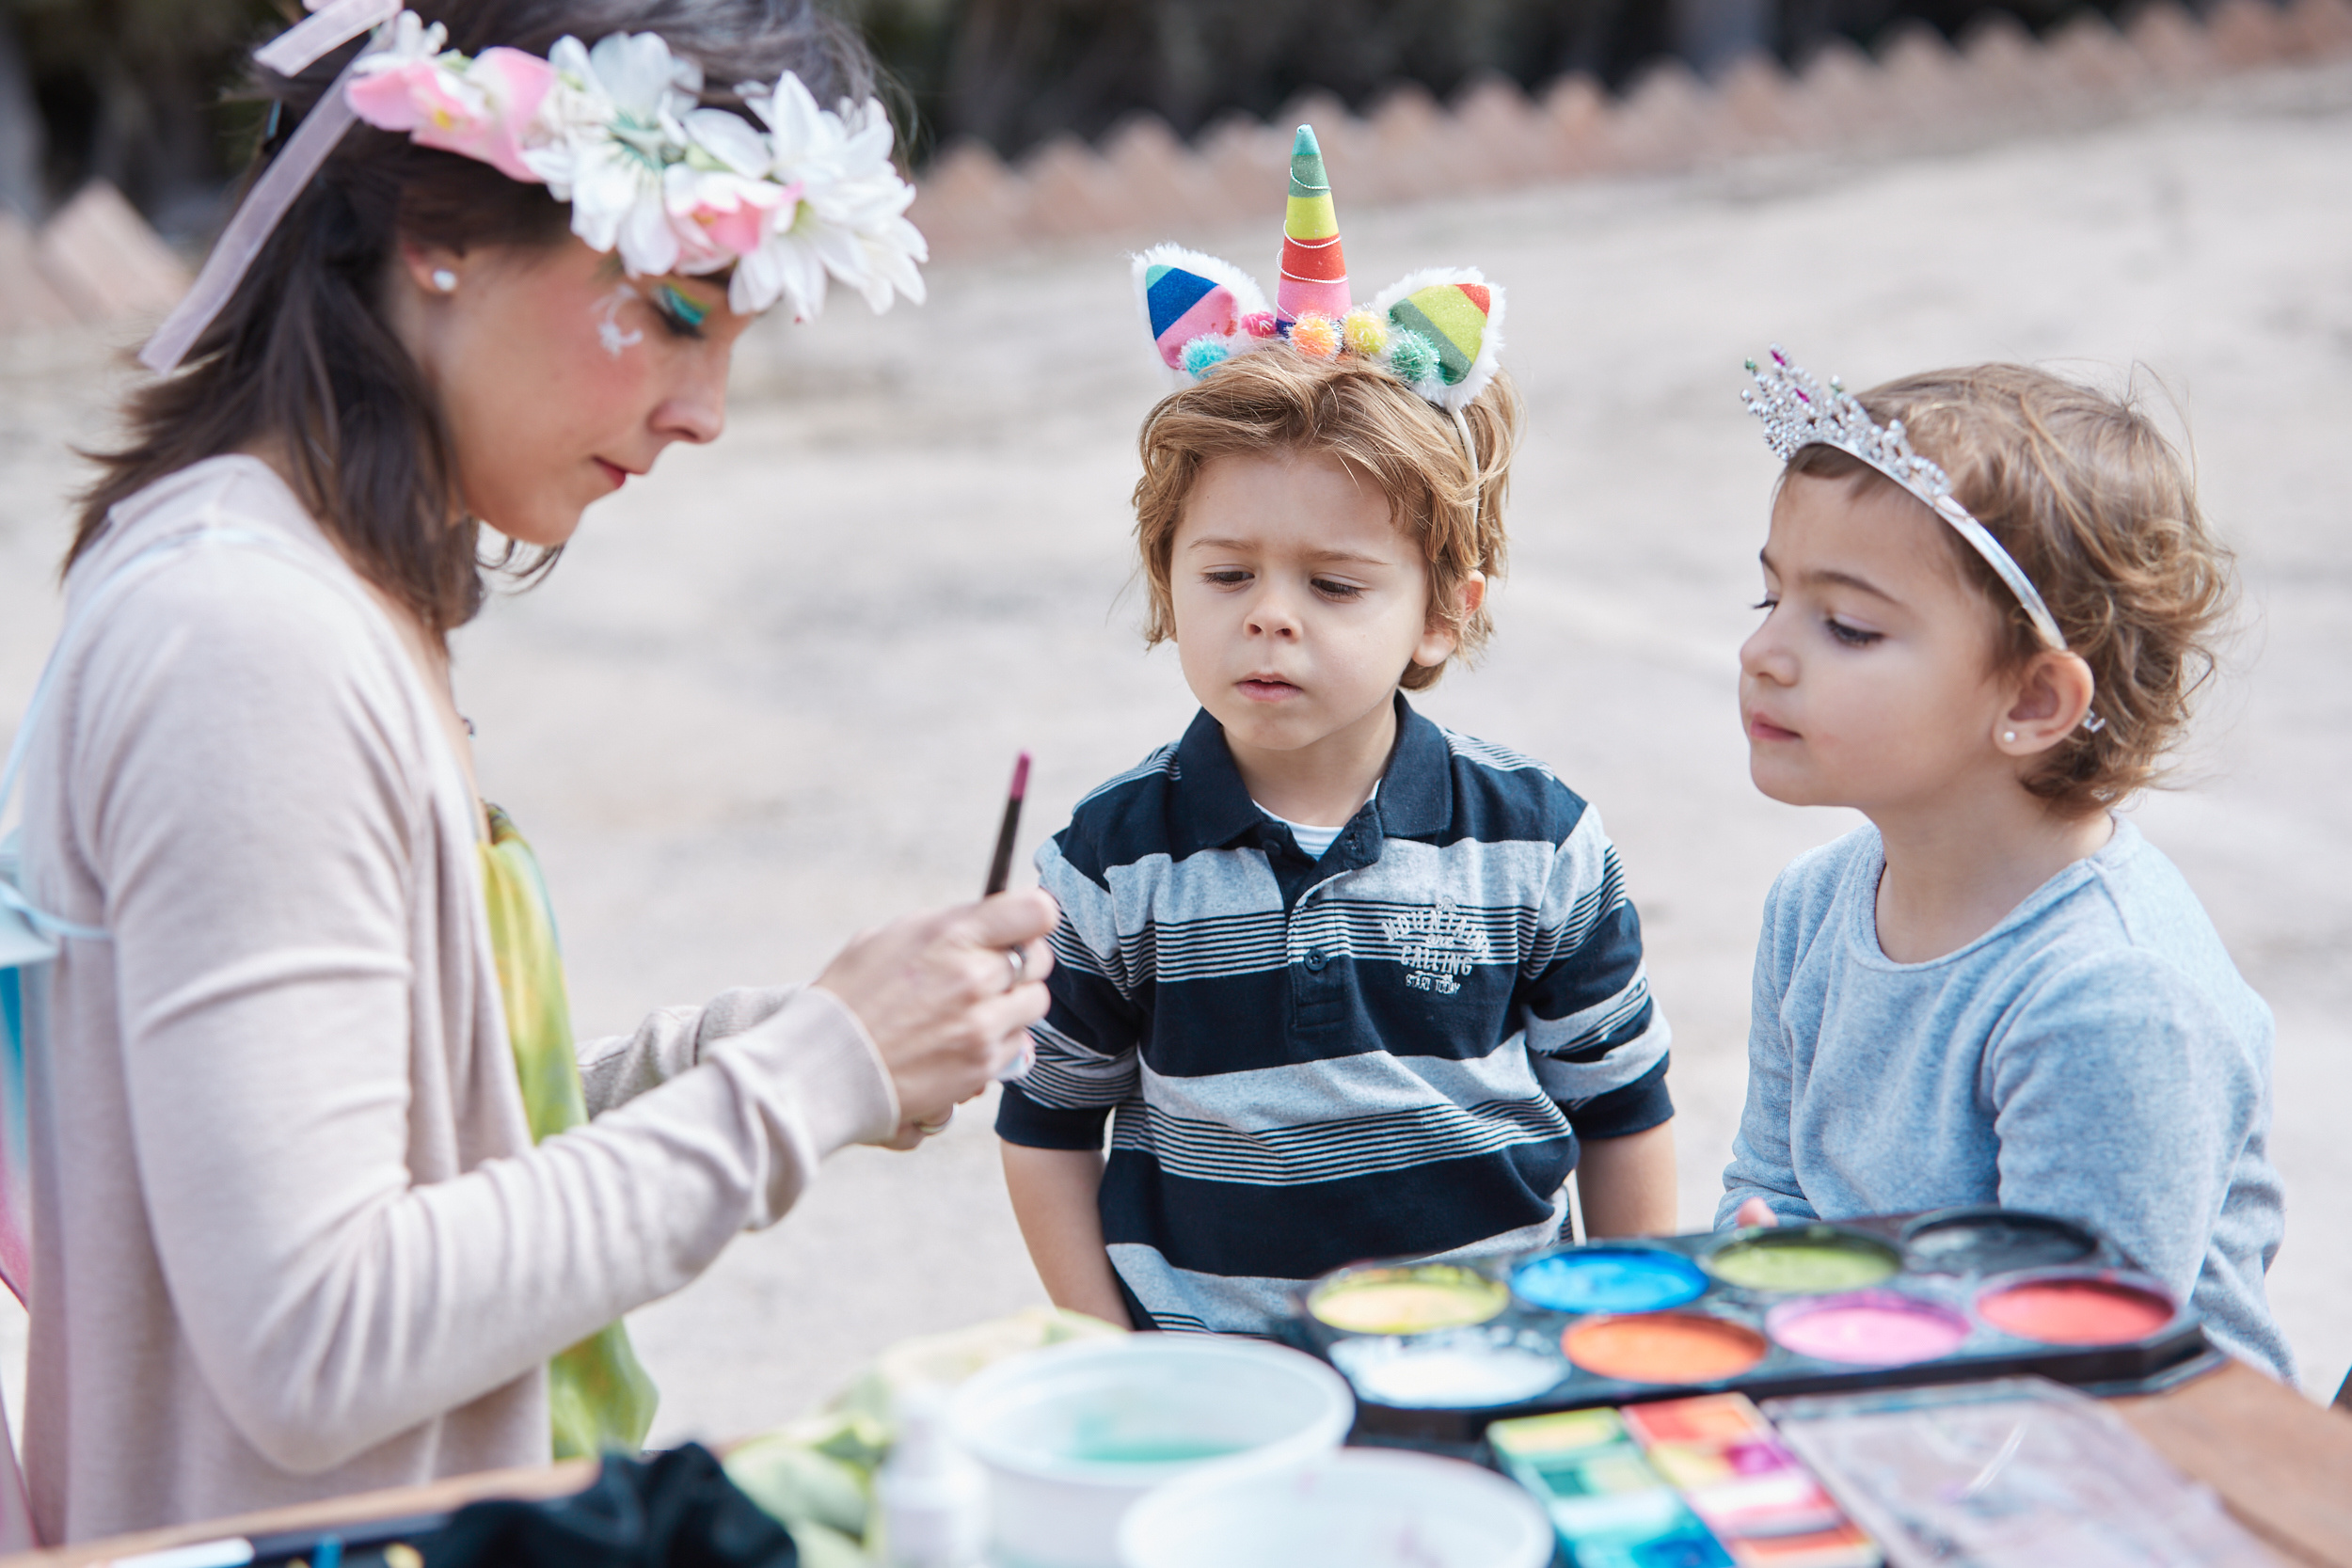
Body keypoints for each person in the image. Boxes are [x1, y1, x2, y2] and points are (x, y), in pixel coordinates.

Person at [7, 0, 1057, 1544]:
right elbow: (318, 1334)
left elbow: (395, 1142)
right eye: (684, 311)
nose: (706, 412)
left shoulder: (315, 587)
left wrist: (759, 1048)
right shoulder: (243, 637)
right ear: (440, 224)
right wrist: (814, 1072)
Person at [994, 129, 1677, 1336]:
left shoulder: (1536, 843)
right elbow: (1049, 1126)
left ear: (1441, 618)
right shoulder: (1108, 863)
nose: (1269, 616)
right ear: (1166, 583)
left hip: (1501, 1361)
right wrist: (1108, 1353)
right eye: (1226, 574)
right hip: (1221, 1395)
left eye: (1334, 584)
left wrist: (1631, 1339)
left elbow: (1618, 1106)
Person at [1719, 349, 2292, 1380]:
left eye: (1846, 626)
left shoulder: (2112, 998)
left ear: (2031, 702)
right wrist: (1764, 1255)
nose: (1766, 653)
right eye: (1769, 601)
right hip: (1881, 1386)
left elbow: (2076, 1351)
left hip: (2142, 1475)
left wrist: (1816, 1308)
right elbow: (1772, 1182)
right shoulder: (1812, 906)